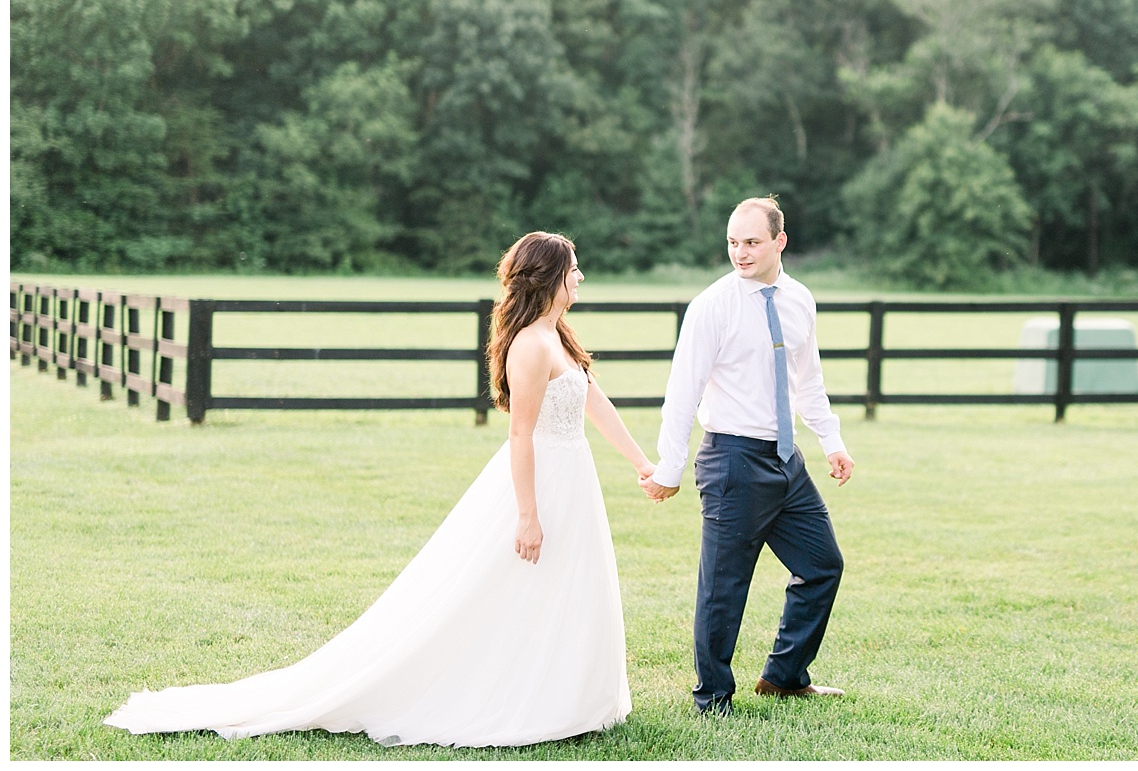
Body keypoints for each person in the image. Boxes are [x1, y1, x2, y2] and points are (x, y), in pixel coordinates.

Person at [104, 232, 655, 748]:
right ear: (549, 278)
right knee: (506, 587)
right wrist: (528, 515)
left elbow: (592, 401)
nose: (580, 278)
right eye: (573, 270)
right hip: (543, 481)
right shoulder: (531, 346)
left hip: (573, 476)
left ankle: (566, 695)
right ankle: (523, 698)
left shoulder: (557, 335)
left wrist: (640, 464)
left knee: (566, 585)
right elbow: (520, 433)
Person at [641, 197, 854, 714]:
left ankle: (783, 676)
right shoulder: (711, 306)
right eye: (733, 242)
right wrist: (669, 467)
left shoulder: (801, 300)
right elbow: (682, 393)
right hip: (732, 460)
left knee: (823, 565)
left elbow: (809, 382)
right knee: (723, 588)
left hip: (786, 461)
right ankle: (713, 697)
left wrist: (832, 440)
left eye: (752, 242)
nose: (741, 252)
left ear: (780, 241)